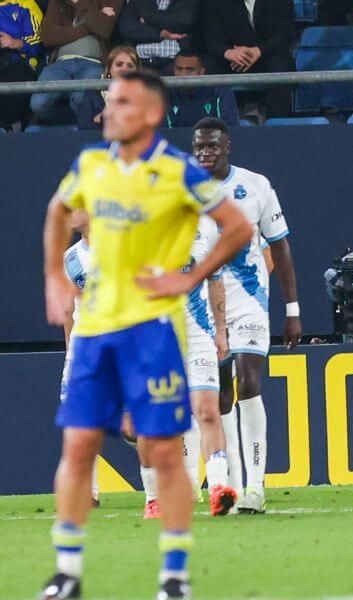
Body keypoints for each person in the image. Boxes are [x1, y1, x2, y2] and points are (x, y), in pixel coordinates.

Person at [40, 70, 252, 599]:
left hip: (153, 331)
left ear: (151, 113)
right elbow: (56, 212)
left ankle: (174, 575)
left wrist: (188, 278)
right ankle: (66, 572)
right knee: (79, 444)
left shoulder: (178, 171)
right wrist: (53, 280)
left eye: (120, 103)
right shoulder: (91, 164)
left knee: (162, 449)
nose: (106, 112)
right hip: (95, 333)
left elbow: (238, 228)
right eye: (108, 103)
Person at [192, 116, 303, 514]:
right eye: (199, 147)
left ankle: (256, 487)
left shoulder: (255, 186)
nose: (205, 153)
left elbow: (281, 247)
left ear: (227, 147)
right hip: (203, 308)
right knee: (220, 395)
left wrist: (292, 309)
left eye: (212, 147)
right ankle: (230, 486)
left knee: (249, 380)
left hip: (251, 302)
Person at [138, 216, 239, 519]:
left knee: (207, 410)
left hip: (197, 333)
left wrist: (221, 330)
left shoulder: (205, 227)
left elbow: (216, 280)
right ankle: (154, 496)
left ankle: (219, 487)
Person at [60, 209, 100, 509]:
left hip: (117, 342)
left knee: (134, 423)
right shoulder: (70, 258)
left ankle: (158, 489)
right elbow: (68, 309)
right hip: (82, 346)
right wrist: (70, 350)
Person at [31, 0, 122, 124]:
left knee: (81, 100)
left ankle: (80, 126)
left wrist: (81, 2)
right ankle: (67, 125)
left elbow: (105, 29)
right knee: (38, 103)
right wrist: (93, 21)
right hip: (60, 63)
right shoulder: (58, 2)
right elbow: (48, 37)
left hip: (93, 63)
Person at [203, 0, 295, 117]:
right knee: (210, 66)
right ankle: (215, 124)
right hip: (232, 60)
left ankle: (277, 124)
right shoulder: (216, 3)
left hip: (267, 56)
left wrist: (258, 51)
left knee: (280, 65)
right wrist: (228, 52)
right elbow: (211, 39)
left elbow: (285, 35)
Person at [118, 0, 200, 73]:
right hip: (141, 63)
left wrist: (148, 17)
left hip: (173, 63)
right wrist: (160, 34)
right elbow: (127, 28)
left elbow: (183, 21)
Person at [165, 51, 239, 127]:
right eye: (179, 69)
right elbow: (162, 132)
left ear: (201, 72)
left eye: (190, 69)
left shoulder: (220, 92)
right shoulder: (165, 94)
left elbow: (230, 129)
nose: (183, 74)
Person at [75, 44, 139, 130]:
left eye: (130, 66)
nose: (124, 69)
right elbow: (83, 126)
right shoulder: (93, 91)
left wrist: (102, 118)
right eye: (119, 64)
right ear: (109, 69)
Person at [0, 0, 42, 128]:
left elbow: (39, 41)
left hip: (19, 61)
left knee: (13, 81)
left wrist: (15, 43)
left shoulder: (26, 4)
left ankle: (9, 126)